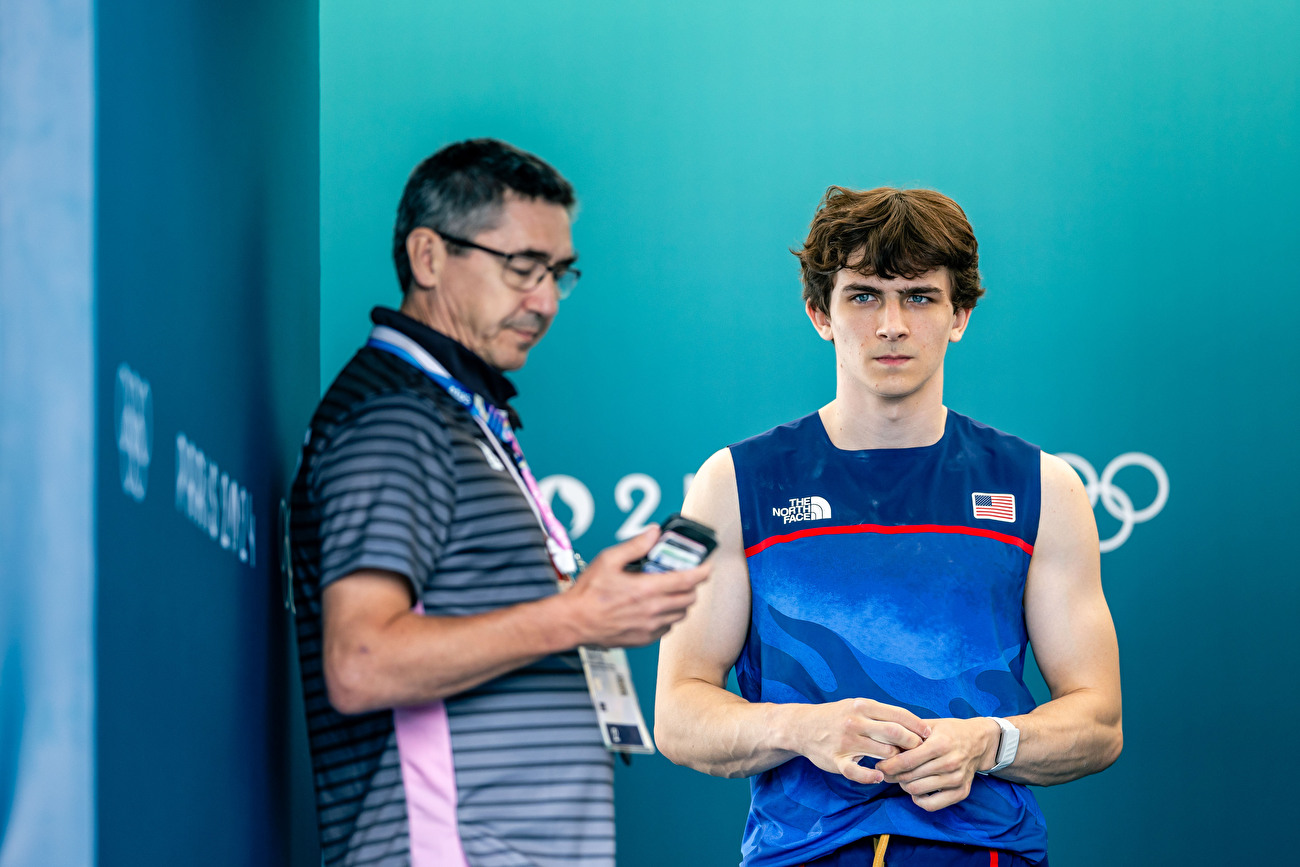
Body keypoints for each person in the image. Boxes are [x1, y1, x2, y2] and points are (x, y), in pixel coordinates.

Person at [655, 186, 1122, 866]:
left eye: (921, 296)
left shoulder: (1042, 486)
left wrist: (989, 742)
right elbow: (677, 714)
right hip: (801, 852)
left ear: (960, 313)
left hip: (984, 850)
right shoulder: (734, 482)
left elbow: (1099, 720)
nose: (893, 324)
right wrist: (804, 727)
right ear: (821, 311)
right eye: (865, 295)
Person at [289, 138, 709, 867]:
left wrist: (586, 604)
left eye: (557, 273)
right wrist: (576, 614)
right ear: (428, 257)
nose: (543, 300)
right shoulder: (397, 416)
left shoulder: (459, 412)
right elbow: (359, 661)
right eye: (521, 267)